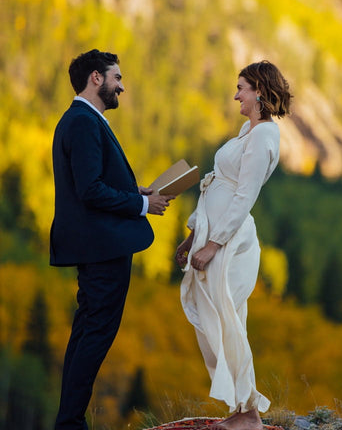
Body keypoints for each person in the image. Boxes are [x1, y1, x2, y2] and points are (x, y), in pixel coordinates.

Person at [50, 49, 174, 430]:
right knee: (95, 336)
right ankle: (70, 423)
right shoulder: (85, 122)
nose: (122, 85)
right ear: (96, 78)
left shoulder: (80, 120)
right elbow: (89, 190)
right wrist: (141, 203)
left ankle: (68, 421)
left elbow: (92, 181)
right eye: (117, 77)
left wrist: (133, 188)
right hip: (102, 248)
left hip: (96, 245)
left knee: (87, 333)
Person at [175, 60, 292, 430]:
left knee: (225, 320)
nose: (236, 94)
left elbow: (244, 196)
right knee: (217, 321)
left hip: (228, 240)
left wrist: (213, 245)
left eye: (241, 87)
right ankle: (242, 409)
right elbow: (216, 187)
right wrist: (194, 235)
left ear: (259, 90)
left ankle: (248, 414)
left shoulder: (264, 136)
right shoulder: (248, 130)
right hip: (211, 234)